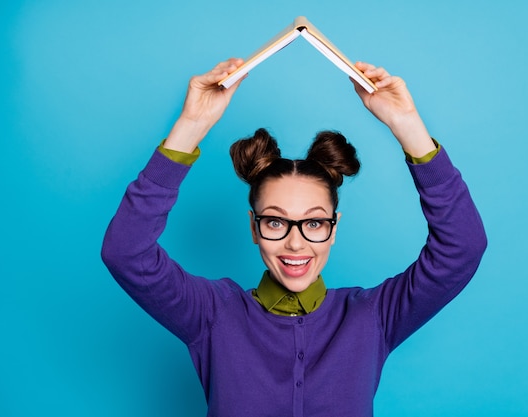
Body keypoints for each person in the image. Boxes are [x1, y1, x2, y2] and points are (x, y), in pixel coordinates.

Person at [101, 58, 487, 416]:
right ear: (254, 228)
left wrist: (407, 125)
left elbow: (462, 247)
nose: (296, 243)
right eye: (275, 222)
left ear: (334, 228)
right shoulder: (213, 315)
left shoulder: (371, 316)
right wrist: (192, 125)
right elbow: (126, 252)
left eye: (314, 223)